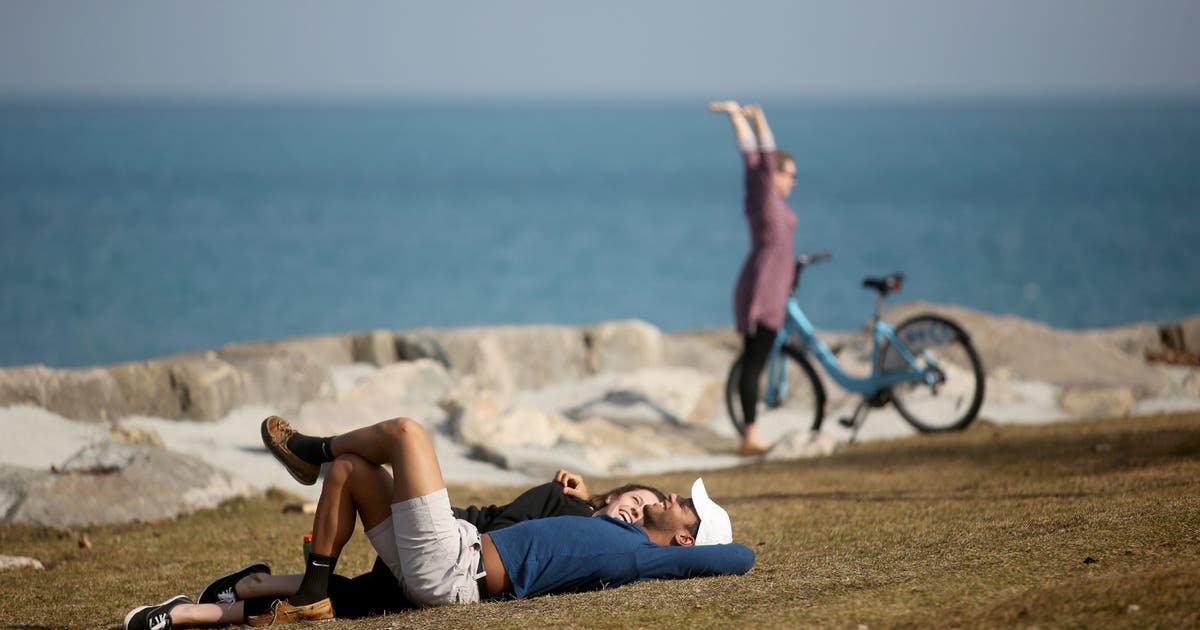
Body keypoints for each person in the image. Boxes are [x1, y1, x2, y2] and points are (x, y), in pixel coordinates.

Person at [123, 415, 753, 628]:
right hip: (450, 551)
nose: (670, 495)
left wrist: (706, 544)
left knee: (405, 434)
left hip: (459, 567)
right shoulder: (616, 532)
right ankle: (312, 594)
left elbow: (739, 557)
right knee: (352, 471)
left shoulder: (646, 557)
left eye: (682, 504)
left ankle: (307, 452)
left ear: (686, 537)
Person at [192, 469, 666, 622]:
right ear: (615, 493)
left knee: (355, 600)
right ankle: (265, 584)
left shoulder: (607, 547)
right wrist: (575, 499)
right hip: (449, 538)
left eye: (644, 515)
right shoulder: (559, 499)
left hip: (446, 564)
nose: (635, 512)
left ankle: (241, 594)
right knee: (357, 466)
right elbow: (504, 528)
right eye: (634, 500)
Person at [710, 100, 799, 455]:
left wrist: (736, 118)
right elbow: (762, 157)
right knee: (754, 363)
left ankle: (750, 431)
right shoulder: (764, 196)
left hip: (765, 284)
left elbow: (752, 159)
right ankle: (751, 434)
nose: (793, 181)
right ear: (774, 175)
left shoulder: (762, 197)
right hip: (764, 291)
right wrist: (759, 118)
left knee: (753, 361)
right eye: (789, 174)